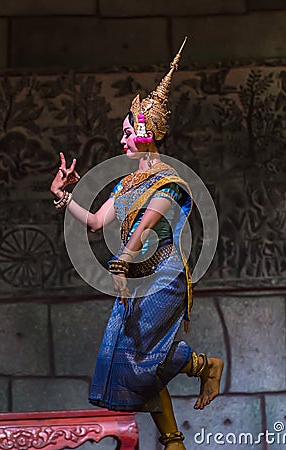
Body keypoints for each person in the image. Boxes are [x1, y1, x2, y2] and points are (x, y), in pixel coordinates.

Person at [50, 38, 223, 450]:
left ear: (146, 131)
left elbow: (146, 226)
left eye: (128, 131)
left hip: (162, 279)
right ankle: (173, 440)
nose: (122, 138)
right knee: (133, 361)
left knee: (138, 360)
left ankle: (204, 365)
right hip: (136, 278)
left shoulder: (170, 182)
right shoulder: (128, 183)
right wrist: (63, 197)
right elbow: (96, 222)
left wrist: (125, 256)